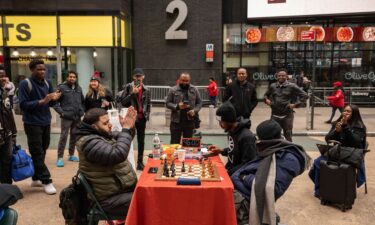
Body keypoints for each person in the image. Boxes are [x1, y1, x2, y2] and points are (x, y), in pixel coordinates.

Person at [231, 119, 311, 225]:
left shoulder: (288, 159)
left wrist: (245, 178)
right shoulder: (270, 149)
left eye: (260, 139)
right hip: (239, 193)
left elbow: (272, 189)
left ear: (270, 139)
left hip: (246, 201)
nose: (258, 142)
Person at [74, 107, 137, 217]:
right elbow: (118, 154)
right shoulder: (89, 143)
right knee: (149, 200)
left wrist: (128, 127)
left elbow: (124, 138)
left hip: (120, 192)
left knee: (151, 190)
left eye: (109, 121)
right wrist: (126, 129)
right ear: (94, 126)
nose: (110, 125)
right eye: (105, 123)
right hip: (108, 200)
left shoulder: (101, 134)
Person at [18, 59, 61, 195]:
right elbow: (23, 105)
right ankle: (46, 180)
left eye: (44, 69)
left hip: (45, 121)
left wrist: (54, 99)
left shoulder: (47, 83)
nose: (42, 71)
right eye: (39, 69)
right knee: (37, 151)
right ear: (32, 70)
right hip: (31, 123)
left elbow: (49, 104)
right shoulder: (26, 84)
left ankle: (36, 177)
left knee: (43, 149)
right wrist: (42, 101)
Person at [309, 104, 366, 198]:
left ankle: (335, 189)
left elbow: (357, 143)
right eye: (344, 111)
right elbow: (327, 139)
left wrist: (345, 126)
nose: (345, 113)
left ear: (354, 113)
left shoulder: (359, 126)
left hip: (351, 155)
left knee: (331, 165)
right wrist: (336, 131)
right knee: (318, 163)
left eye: (348, 111)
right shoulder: (337, 123)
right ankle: (320, 190)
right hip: (337, 153)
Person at [208, 101, 257, 176]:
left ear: (229, 121)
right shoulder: (231, 130)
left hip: (239, 176)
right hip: (231, 171)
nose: (220, 125)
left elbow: (248, 164)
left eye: (221, 122)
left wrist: (228, 174)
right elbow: (235, 150)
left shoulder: (247, 137)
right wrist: (221, 151)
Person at [119, 68, 151, 171]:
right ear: (133, 77)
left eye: (140, 76)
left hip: (142, 118)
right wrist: (133, 93)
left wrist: (147, 115)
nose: (138, 78)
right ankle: (126, 162)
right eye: (136, 76)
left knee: (141, 141)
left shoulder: (146, 89)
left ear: (143, 77)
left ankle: (140, 162)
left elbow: (148, 104)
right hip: (131, 118)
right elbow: (123, 102)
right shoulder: (128, 87)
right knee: (128, 139)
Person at [264, 68, 308, 142]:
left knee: (288, 137)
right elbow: (266, 95)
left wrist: (295, 105)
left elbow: (305, 95)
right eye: (279, 75)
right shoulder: (273, 86)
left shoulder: (292, 86)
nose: (281, 77)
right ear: (277, 76)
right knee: (273, 136)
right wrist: (266, 100)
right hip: (274, 115)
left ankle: (288, 152)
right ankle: (275, 152)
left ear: (286, 76)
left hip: (287, 116)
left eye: (283, 75)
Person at [53, 71, 84, 167]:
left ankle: (71, 155)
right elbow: (54, 102)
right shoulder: (61, 88)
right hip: (66, 116)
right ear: (67, 77)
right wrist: (61, 112)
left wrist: (81, 111)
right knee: (63, 136)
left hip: (77, 117)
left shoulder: (79, 88)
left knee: (74, 136)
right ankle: (60, 158)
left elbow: (82, 101)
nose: (72, 78)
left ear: (76, 78)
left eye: (74, 77)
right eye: (70, 76)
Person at [166, 72, 202, 144]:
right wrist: (177, 106)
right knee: (174, 143)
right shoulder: (173, 90)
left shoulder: (194, 89)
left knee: (188, 144)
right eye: (183, 80)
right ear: (179, 80)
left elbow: (199, 103)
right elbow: (168, 103)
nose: (185, 82)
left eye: (186, 81)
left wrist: (194, 111)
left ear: (189, 80)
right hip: (175, 122)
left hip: (190, 121)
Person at [0, 66, 17, 184]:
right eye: (0, 76)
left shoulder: (5, 93)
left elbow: (9, 112)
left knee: (7, 160)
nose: (3, 78)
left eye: (4, 75)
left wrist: (14, 132)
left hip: (7, 132)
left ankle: (7, 186)